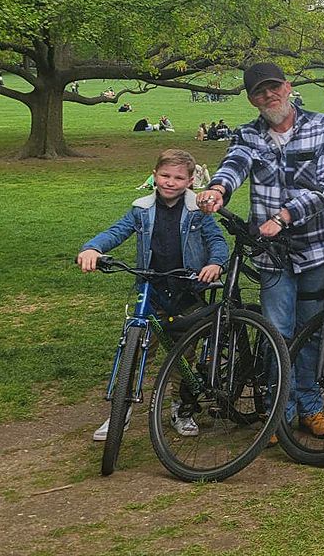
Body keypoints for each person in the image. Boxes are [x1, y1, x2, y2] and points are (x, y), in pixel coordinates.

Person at [198, 62, 324, 441]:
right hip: (272, 254)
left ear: (288, 86)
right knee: (277, 331)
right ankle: (281, 410)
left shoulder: (323, 127)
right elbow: (235, 165)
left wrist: (284, 216)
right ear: (251, 99)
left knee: (310, 330)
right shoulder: (248, 134)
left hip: (315, 248)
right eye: (260, 92)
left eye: (274, 87)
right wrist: (217, 190)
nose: (269, 96)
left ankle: (311, 407)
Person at [77, 149, 228, 441]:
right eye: (165, 175)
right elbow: (116, 231)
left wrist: (215, 263)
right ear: (154, 175)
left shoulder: (198, 211)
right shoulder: (141, 209)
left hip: (187, 291)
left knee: (183, 356)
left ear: (190, 180)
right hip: (151, 290)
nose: (170, 182)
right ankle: (121, 410)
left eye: (178, 177)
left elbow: (217, 240)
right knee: (132, 351)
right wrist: (93, 248)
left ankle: (180, 408)